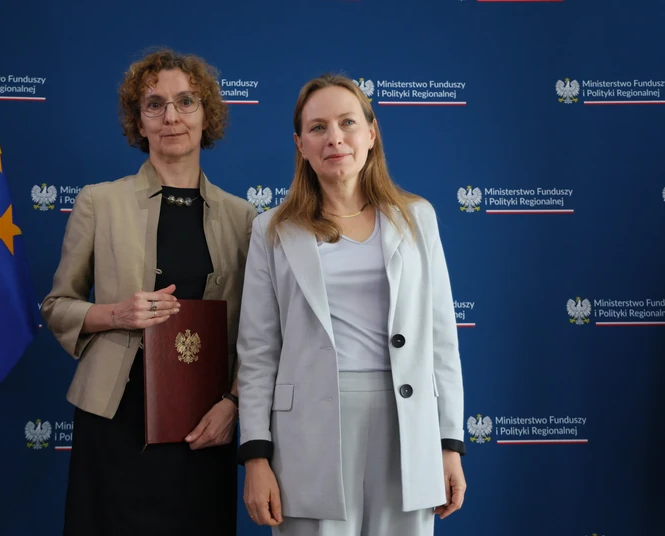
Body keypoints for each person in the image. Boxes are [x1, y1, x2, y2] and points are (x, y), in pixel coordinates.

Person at [236, 74, 467, 536]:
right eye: (318, 127)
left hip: (407, 425)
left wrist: (449, 445)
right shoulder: (272, 230)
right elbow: (258, 352)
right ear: (300, 145)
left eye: (347, 122)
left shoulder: (417, 218)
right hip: (307, 430)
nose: (335, 138)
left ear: (371, 133)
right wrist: (256, 456)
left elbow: (441, 339)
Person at [41, 49, 256, 536]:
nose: (171, 116)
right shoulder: (98, 202)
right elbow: (57, 306)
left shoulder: (244, 218)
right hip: (113, 422)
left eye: (186, 101)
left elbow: (257, 332)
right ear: (139, 122)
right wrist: (116, 313)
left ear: (207, 116)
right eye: (154, 104)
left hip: (204, 425)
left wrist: (233, 404)